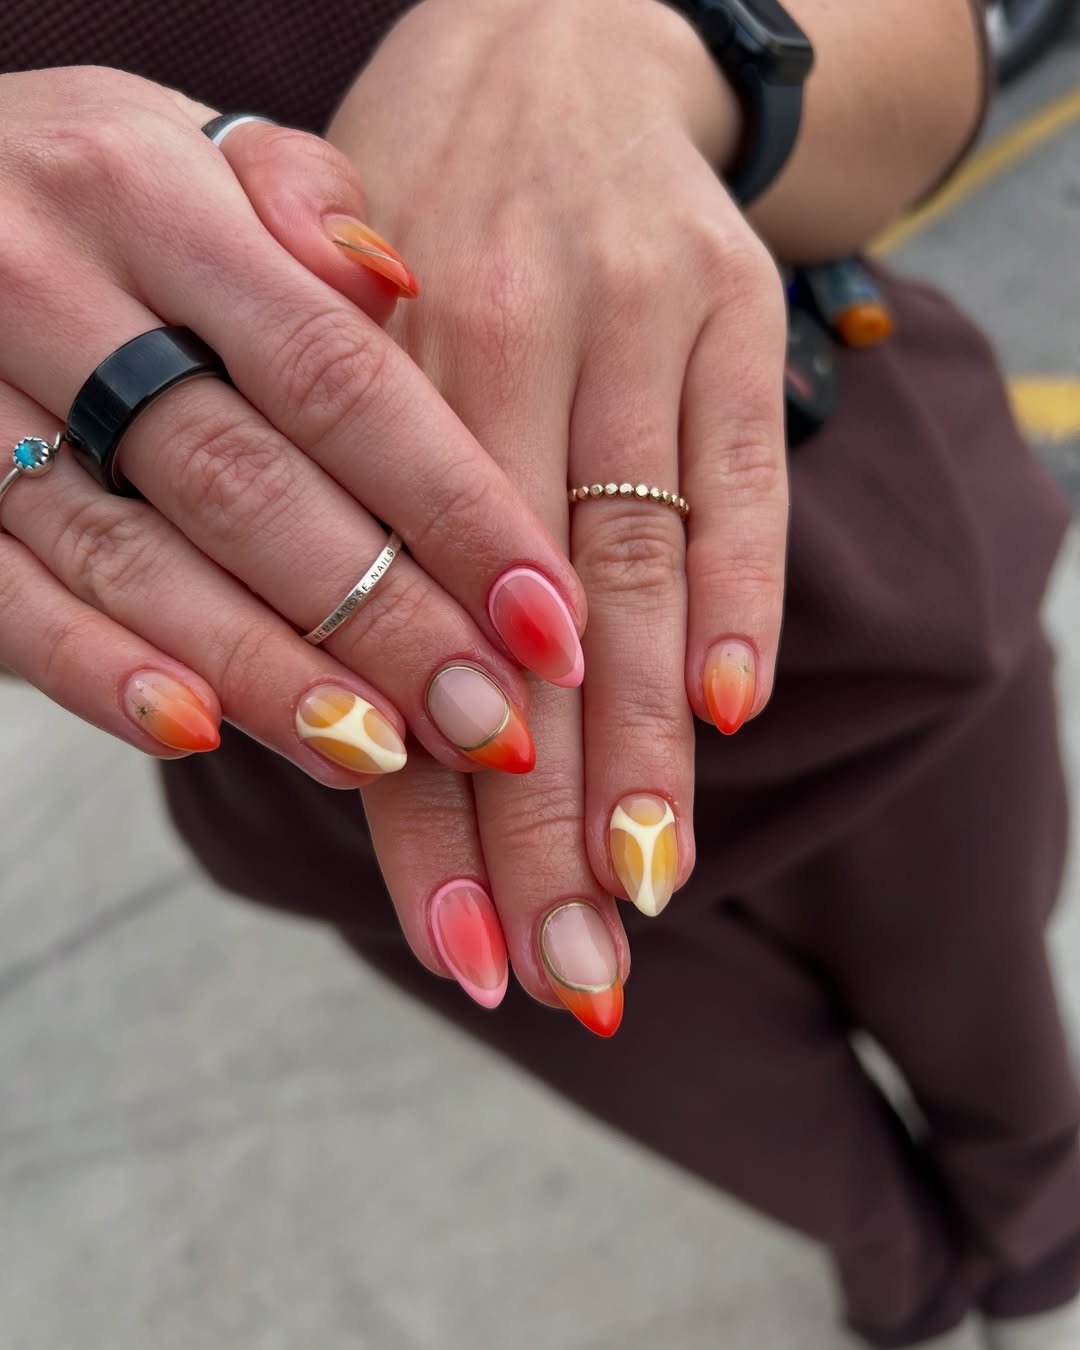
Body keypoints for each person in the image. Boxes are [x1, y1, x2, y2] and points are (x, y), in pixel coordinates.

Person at [2, 1, 1077, 1346]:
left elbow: (946, 54)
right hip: (361, 794)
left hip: (857, 614)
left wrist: (657, 40)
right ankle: (911, 1295)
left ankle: (1039, 1275)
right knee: (817, 1172)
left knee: (1015, 1087)